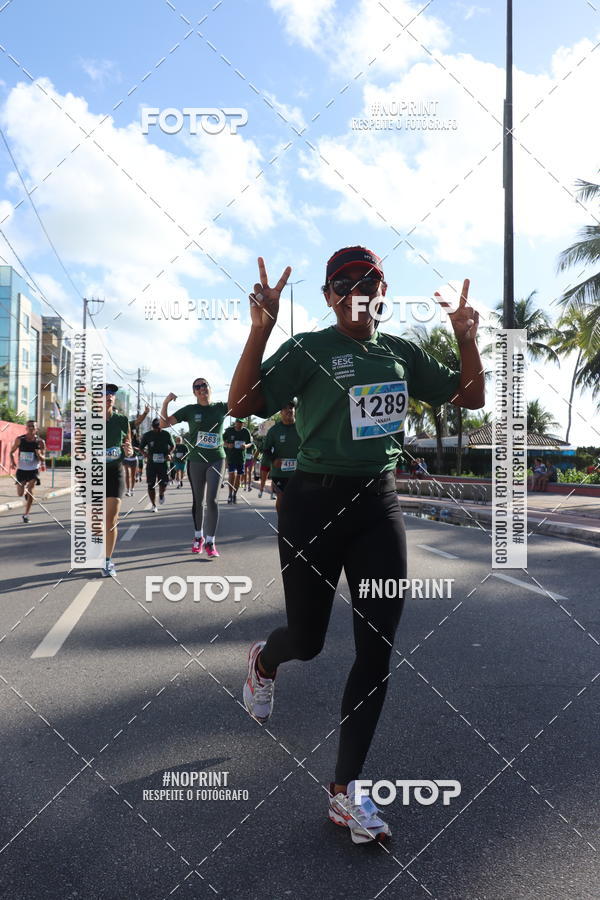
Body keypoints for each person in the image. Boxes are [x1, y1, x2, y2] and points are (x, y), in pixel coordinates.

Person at [229, 248, 484, 844]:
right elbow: (242, 406)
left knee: (375, 652)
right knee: (310, 641)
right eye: (340, 284)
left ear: (382, 286)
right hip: (312, 503)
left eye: (364, 281)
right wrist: (259, 331)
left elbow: (468, 397)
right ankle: (265, 661)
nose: (353, 291)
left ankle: (345, 794)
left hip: (378, 505)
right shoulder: (310, 351)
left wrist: (465, 336)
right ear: (326, 295)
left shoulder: (400, 353)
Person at [161, 378, 227, 557]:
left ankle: (211, 541)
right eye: (197, 387)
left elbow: (243, 405)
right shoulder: (190, 410)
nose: (201, 388)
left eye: (204, 385)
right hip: (196, 460)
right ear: (194, 392)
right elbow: (163, 424)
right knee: (199, 501)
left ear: (210, 388)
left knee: (212, 500)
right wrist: (166, 402)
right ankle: (198, 537)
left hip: (216, 458)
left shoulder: (222, 407)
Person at [103, 383, 133, 577]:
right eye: (104, 393)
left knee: (111, 519)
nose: (109, 396)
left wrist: (128, 450)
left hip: (115, 472)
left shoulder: (122, 420)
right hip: (94, 474)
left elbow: (128, 443)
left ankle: (107, 561)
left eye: (112, 393)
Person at [262, 402, 300, 513]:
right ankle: (282, 523)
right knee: (282, 498)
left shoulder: (301, 427)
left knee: (297, 500)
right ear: (280, 412)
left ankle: (294, 525)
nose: (289, 410)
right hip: (280, 472)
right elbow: (266, 449)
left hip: (300, 471)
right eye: (285, 408)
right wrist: (274, 460)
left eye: (292, 407)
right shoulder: (274, 430)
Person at [10, 420, 45, 524]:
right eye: (29, 426)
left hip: (33, 470)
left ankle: (26, 514)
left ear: (36, 429)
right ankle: (25, 493)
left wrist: (39, 454)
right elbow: (11, 452)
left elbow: (43, 459)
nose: (31, 428)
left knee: (30, 490)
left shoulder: (40, 442)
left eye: (33, 426)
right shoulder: (19, 439)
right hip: (21, 470)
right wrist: (12, 462)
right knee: (20, 494)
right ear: (26, 428)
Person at [140, 418, 175, 511]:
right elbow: (141, 448)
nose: (157, 429)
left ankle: (161, 494)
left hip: (163, 463)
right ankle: (154, 505)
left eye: (159, 427)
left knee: (163, 484)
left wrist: (169, 453)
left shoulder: (166, 434)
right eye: (155, 427)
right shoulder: (147, 435)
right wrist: (146, 455)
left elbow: (172, 445)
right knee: (151, 484)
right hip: (151, 464)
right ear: (152, 427)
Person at [223, 418, 252, 503]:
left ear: (243, 423)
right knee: (231, 475)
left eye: (241, 422)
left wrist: (245, 446)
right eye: (238, 422)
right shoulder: (229, 430)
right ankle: (229, 494)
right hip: (231, 457)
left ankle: (234, 494)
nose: (240, 424)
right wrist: (227, 444)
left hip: (241, 458)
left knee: (239, 476)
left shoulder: (246, 431)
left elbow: (250, 443)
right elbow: (221, 440)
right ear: (235, 422)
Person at [125, 405, 150, 496]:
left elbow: (138, 421)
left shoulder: (130, 424)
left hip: (134, 455)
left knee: (132, 474)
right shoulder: (118, 427)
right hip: (125, 455)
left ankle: (132, 489)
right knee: (127, 474)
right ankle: (128, 490)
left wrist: (145, 412)